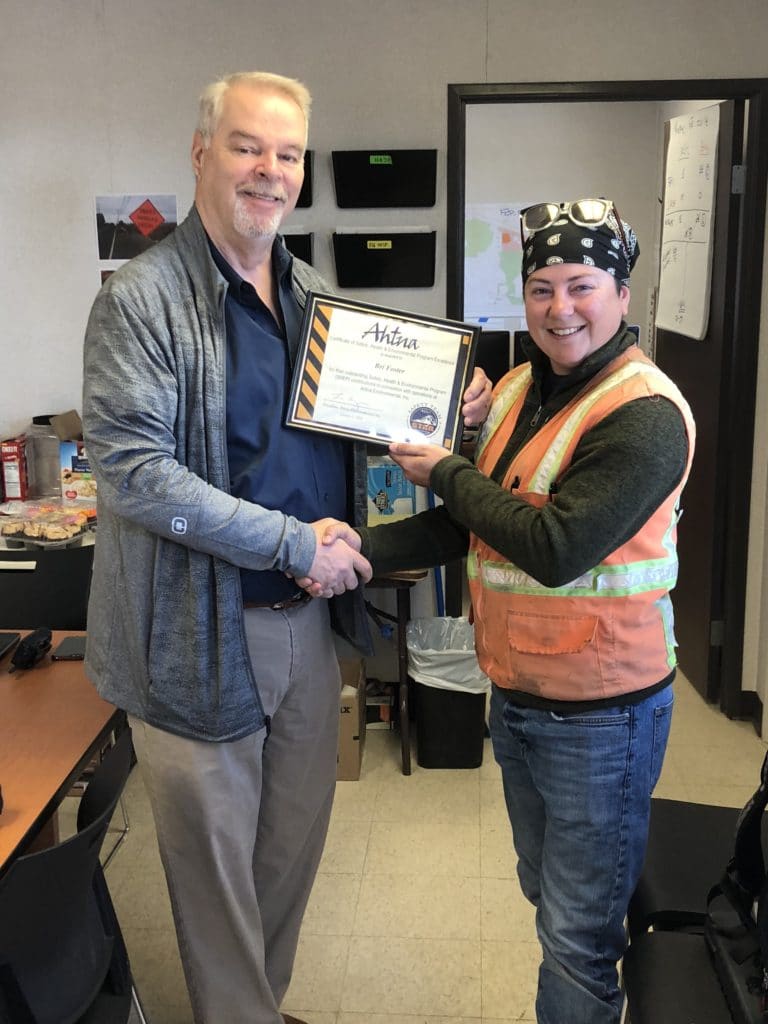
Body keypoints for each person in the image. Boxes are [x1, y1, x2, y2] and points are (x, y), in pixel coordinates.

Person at [82, 71, 491, 1024]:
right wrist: (288, 542)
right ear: (200, 153)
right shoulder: (141, 301)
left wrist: (449, 406)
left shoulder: (312, 295)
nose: (270, 171)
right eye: (247, 146)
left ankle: (254, 1006)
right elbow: (136, 472)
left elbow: (373, 427)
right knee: (216, 873)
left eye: (288, 153)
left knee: (290, 845)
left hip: (308, 621)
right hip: (195, 630)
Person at [309, 199, 696, 1023]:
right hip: (517, 696)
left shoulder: (646, 416)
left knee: (578, 936)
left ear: (623, 294)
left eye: (582, 285)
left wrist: (447, 467)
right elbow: (467, 522)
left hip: (604, 715)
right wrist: (360, 549)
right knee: (545, 893)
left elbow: (554, 547)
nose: (561, 309)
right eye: (542, 288)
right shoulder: (521, 386)